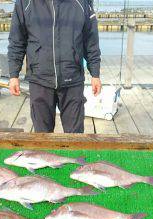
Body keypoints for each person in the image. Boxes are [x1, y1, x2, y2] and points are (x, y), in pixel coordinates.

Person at [8, 0, 101, 133]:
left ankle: (75, 155)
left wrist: (95, 74)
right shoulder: (25, 3)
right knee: (42, 136)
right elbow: (17, 41)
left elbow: (91, 41)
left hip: (72, 79)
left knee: (75, 135)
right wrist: (13, 75)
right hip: (39, 80)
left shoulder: (82, 3)